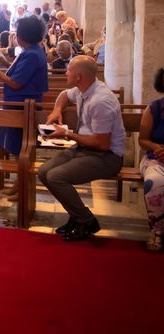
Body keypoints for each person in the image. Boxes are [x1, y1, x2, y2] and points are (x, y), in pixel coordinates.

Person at [39, 56, 125, 242]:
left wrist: (67, 134)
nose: (66, 73)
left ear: (78, 76)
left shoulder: (100, 101)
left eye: (69, 70)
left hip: (107, 156)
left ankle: (86, 221)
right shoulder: (82, 89)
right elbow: (64, 94)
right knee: (44, 171)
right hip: (84, 149)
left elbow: (101, 144)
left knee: (56, 177)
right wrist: (57, 109)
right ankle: (77, 217)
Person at [0, 17, 49, 199]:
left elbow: (15, 83)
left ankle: (23, 188)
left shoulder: (32, 54)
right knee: (16, 147)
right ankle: (18, 184)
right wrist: (3, 61)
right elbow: (17, 72)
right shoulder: (32, 51)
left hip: (23, 106)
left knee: (21, 148)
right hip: (17, 104)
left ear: (22, 37)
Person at [138, 68, 164, 251]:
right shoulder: (155, 108)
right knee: (155, 182)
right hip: (157, 159)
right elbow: (143, 140)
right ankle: (157, 230)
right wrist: (156, 147)